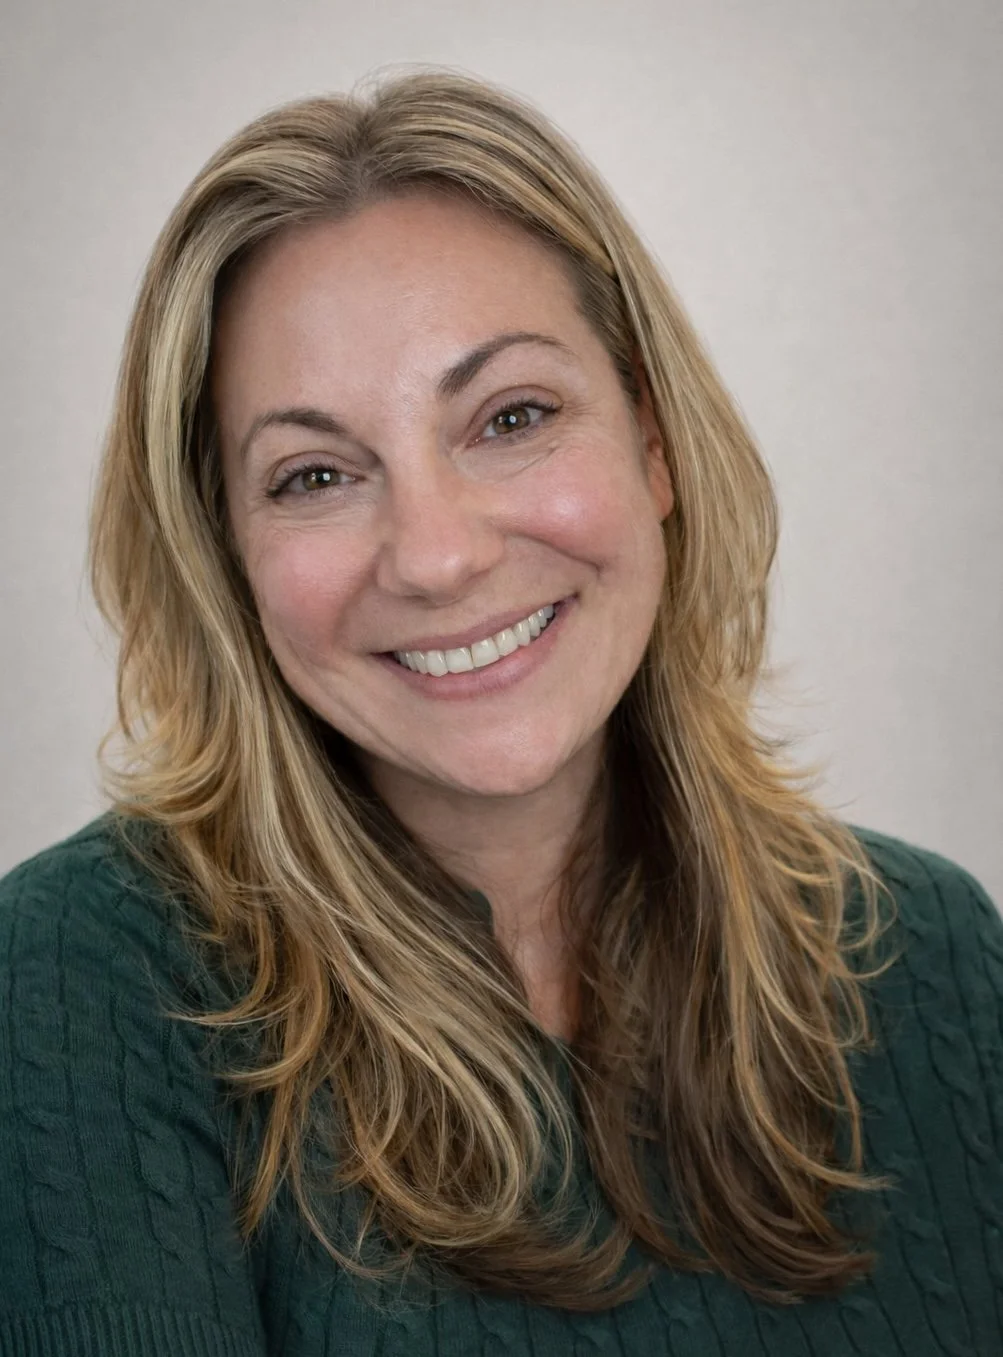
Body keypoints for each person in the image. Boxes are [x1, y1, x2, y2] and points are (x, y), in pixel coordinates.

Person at [0, 69, 1000, 1357]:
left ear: (653, 443)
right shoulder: (76, 989)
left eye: (511, 417)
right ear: (225, 553)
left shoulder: (935, 958)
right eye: (313, 475)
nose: (435, 556)